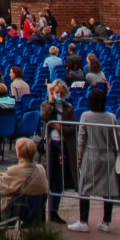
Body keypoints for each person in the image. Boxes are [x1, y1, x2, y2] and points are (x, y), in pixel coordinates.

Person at [71, 88, 120, 234]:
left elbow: (81, 139)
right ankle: (106, 221)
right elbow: (116, 138)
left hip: (91, 155)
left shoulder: (85, 116)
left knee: (85, 187)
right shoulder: (112, 117)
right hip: (108, 155)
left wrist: (79, 157)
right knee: (108, 188)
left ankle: (83, 221)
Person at [39, 80, 77, 225]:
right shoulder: (45, 104)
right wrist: (51, 103)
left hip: (63, 146)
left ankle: (54, 211)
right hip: (49, 145)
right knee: (46, 179)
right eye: (56, 93)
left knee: (59, 182)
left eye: (61, 93)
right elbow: (45, 116)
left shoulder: (68, 108)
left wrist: (60, 128)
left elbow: (72, 127)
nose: (59, 95)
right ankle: (41, 211)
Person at [0, 137, 48, 212]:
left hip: (16, 213)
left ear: (18, 153)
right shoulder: (41, 169)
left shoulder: (13, 171)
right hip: (37, 212)